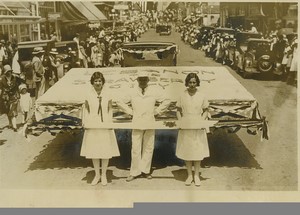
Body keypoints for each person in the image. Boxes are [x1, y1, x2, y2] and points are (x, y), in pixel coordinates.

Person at [116, 71, 171, 182]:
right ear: (137, 80)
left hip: (150, 121)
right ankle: (134, 172)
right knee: (135, 148)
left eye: (145, 79)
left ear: (148, 80)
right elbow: (119, 101)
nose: (142, 81)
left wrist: (157, 111)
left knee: (149, 147)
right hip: (137, 121)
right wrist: (130, 112)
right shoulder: (132, 91)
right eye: (140, 79)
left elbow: (167, 100)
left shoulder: (154, 91)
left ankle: (145, 171)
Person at [80, 71, 120, 186]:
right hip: (93, 125)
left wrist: (109, 123)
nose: (98, 83)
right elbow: (86, 109)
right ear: (92, 83)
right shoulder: (88, 94)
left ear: (103, 82)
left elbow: (110, 109)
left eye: (100, 81)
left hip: (104, 125)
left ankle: (104, 175)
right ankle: (97, 174)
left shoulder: (108, 94)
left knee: (105, 150)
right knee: (94, 151)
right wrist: (86, 122)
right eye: (96, 81)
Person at [176, 73, 210, 186]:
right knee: (187, 150)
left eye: (194, 82)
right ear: (186, 83)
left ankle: (197, 175)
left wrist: (201, 121)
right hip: (186, 124)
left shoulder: (202, 95)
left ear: (197, 83)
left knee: (197, 150)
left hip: (197, 124)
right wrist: (180, 122)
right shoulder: (182, 95)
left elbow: (206, 110)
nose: (192, 85)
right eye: (190, 82)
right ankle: (189, 175)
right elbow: (178, 110)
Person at [0, 65, 20, 131]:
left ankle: (14, 126)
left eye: (10, 71)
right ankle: (10, 123)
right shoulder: (2, 79)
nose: (9, 73)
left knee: (13, 110)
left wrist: (19, 94)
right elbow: (0, 88)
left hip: (14, 96)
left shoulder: (15, 77)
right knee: (8, 110)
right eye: (7, 72)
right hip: (5, 97)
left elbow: (19, 85)